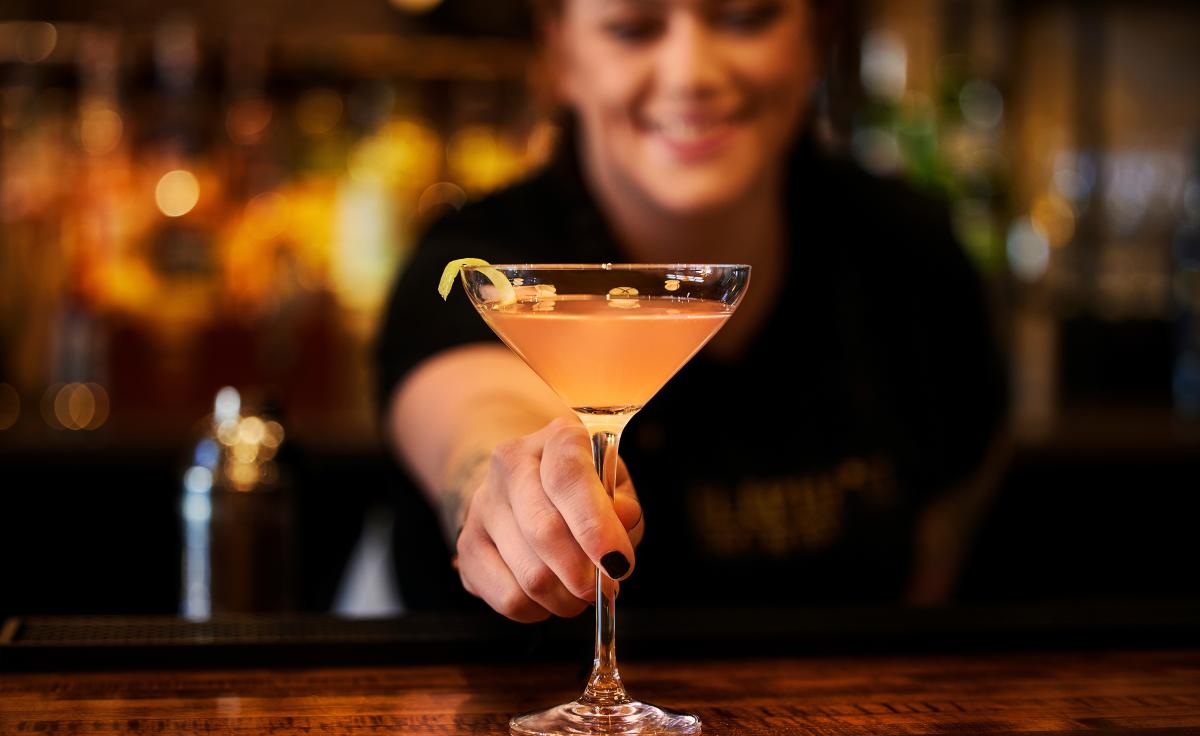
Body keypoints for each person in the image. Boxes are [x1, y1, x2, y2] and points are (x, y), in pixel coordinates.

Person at [375, 0, 1007, 622]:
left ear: (816, 34)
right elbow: (476, 409)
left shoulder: (905, 249)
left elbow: (964, 484)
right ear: (560, 54)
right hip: (486, 717)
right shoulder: (482, 259)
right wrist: (509, 485)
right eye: (632, 28)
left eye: (745, 18)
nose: (691, 73)